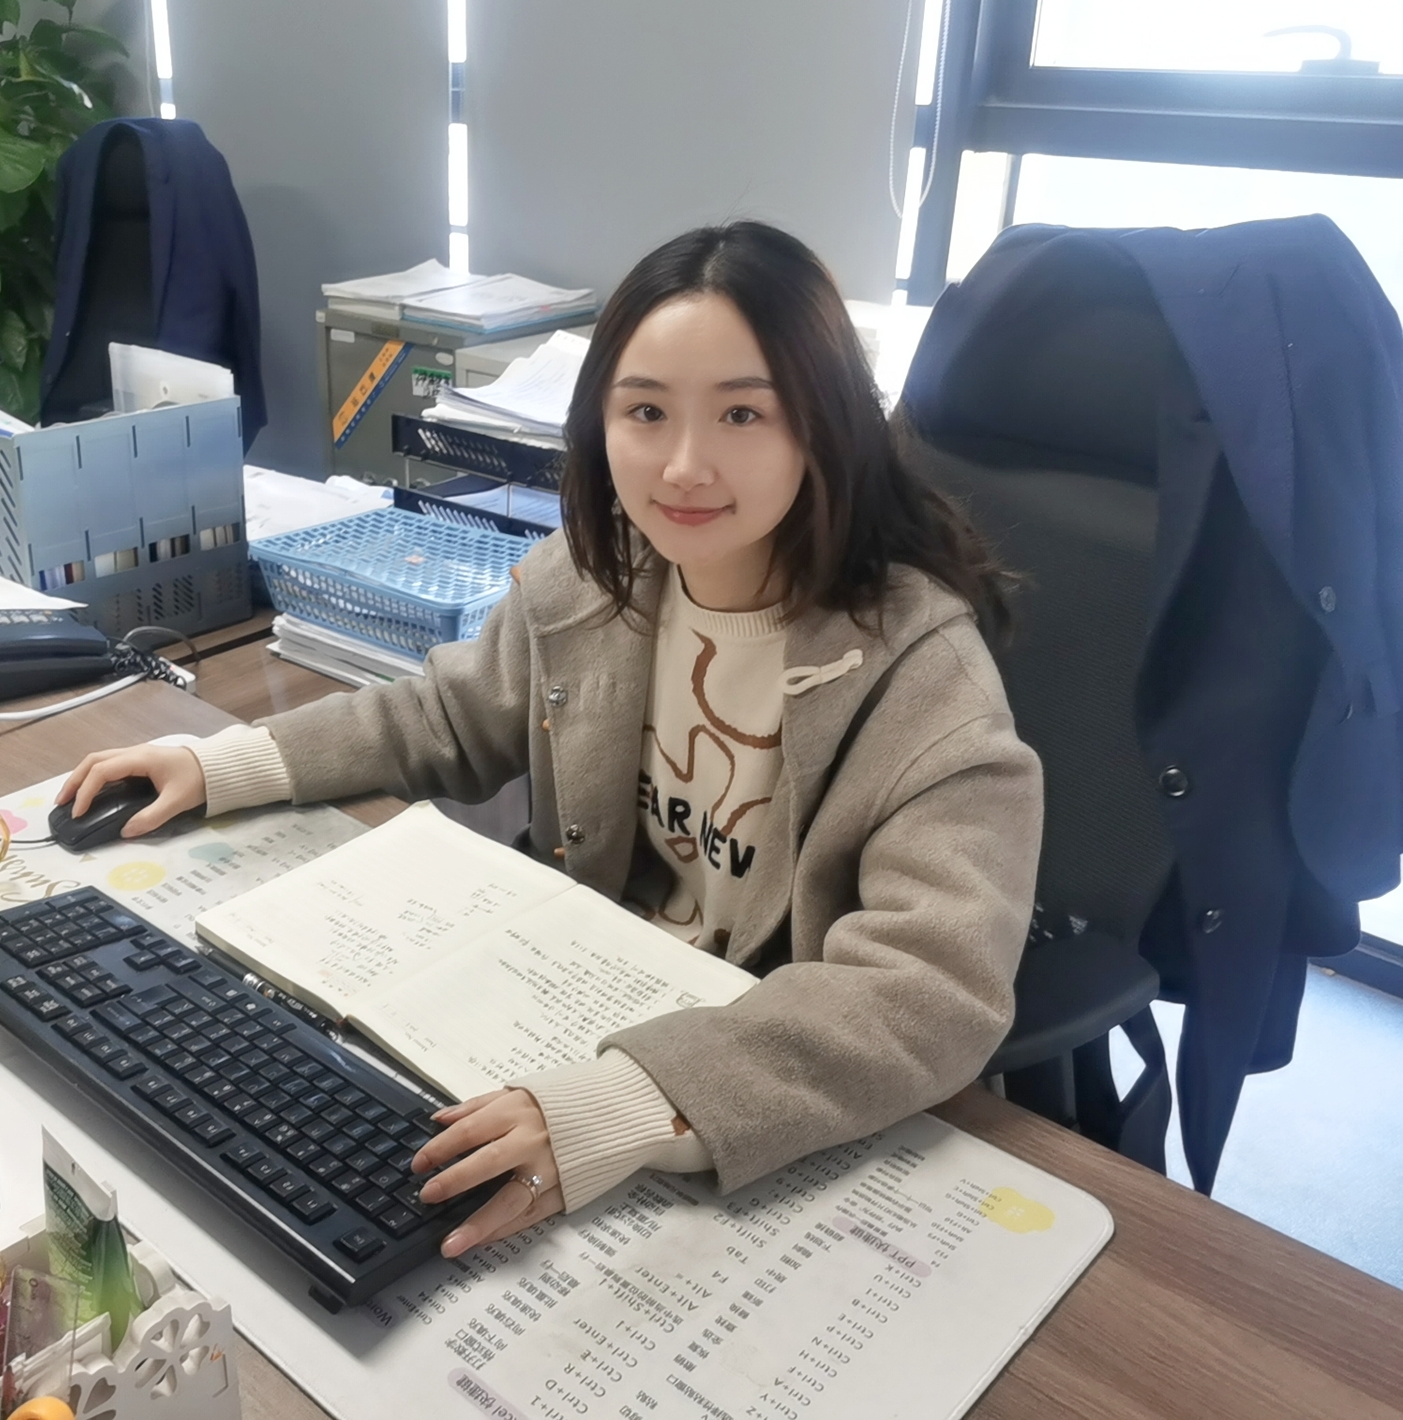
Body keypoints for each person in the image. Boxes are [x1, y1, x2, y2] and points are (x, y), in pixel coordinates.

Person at [58, 222, 1042, 1259]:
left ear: (826, 427)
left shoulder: (923, 675)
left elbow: (933, 991)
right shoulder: (601, 576)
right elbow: (443, 716)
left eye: (744, 413)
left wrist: (634, 1101)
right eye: (646, 411)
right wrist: (222, 763)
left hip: (741, 1080)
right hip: (567, 998)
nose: (685, 465)